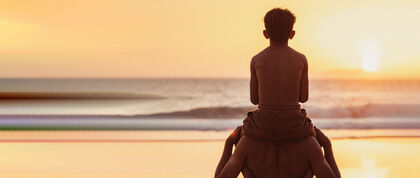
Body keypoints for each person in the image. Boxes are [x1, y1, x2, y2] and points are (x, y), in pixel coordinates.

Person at [215, 8, 341, 178]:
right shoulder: (301, 59)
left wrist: (229, 143)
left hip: (263, 124)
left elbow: (254, 99)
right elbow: (303, 97)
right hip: (294, 123)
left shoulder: (257, 59)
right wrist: (326, 145)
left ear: (266, 34)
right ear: (292, 33)